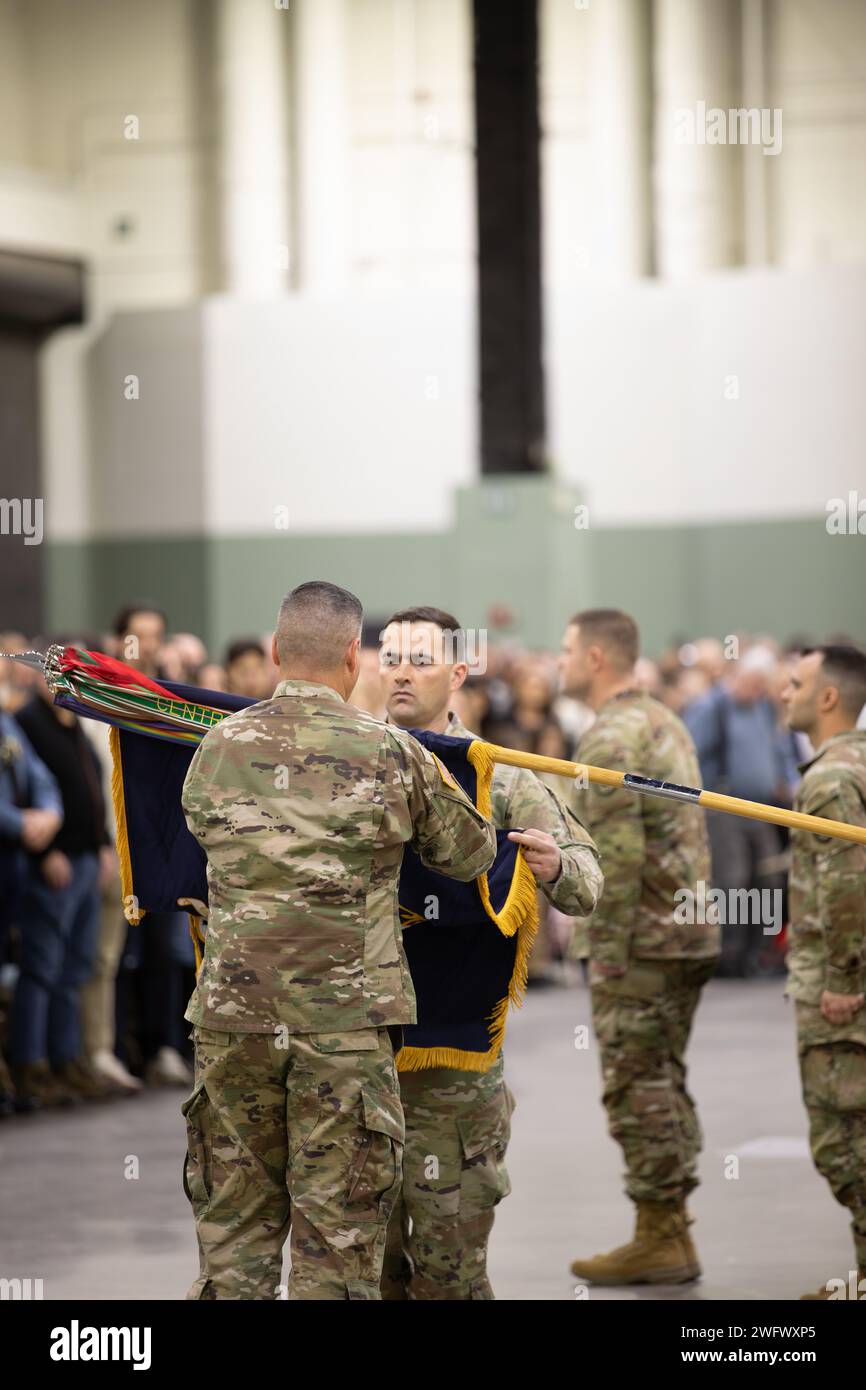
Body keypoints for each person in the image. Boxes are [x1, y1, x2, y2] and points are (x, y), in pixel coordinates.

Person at [180, 581, 496, 1300]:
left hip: (233, 1021)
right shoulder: (390, 751)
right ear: (355, 656)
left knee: (233, 1233)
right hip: (344, 1030)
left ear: (274, 651)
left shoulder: (217, 746)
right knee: (339, 1239)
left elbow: (199, 832)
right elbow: (469, 854)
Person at [378, 606, 602, 1299]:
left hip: (454, 1069)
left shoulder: (499, 777)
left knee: (450, 1268)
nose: (402, 673)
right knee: (360, 1271)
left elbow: (586, 882)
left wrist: (554, 866)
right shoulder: (348, 766)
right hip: (354, 1059)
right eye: (390, 659)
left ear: (457, 673)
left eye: (420, 660)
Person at [559, 609, 720, 1285]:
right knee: (663, 1079)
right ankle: (670, 1227)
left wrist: (606, 946)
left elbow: (616, 858)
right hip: (684, 931)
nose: (559, 662)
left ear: (596, 659)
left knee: (636, 1087)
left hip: (642, 940)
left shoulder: (608, 737)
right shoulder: (662, 719)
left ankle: (659, 1234)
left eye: (567, 649)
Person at [780, 645, 866, 1299]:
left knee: (845, 1142)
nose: (785, 693)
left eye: (796, 683)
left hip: (839, 985)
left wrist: (843, 977)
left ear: (828, 697)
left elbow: (845, 885)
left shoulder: (830, 780)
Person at [10, 665, 113, 1106]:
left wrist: (103, 843)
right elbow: (23, 792)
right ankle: (31, 1067)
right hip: (56, 861)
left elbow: (91, 788)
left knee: (75, 966)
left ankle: (66, 1060)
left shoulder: (74, 722)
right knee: (42, 966)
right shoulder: (27, 722)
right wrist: (44, 851)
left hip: (86, 858)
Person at [0, 704, 62, 1115]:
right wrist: (21, 824)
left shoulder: (5, 722)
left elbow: (40, 776)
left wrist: (50, 815)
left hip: (12, 861)